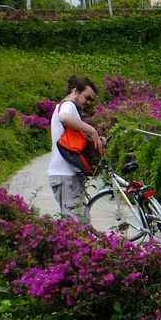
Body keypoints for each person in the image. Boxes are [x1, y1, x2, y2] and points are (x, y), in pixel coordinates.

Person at [47, 75, 105, 220]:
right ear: (75, 91)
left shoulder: (69, 108)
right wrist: (92, 130)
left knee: (80, 223)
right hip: (65, 176)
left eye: (92, 99)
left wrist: (94, 139)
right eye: (87, 97)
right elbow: (64, 117)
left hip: (67, 176)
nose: (89, 102)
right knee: (76, 226)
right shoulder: (68, 105)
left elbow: (75, 141)